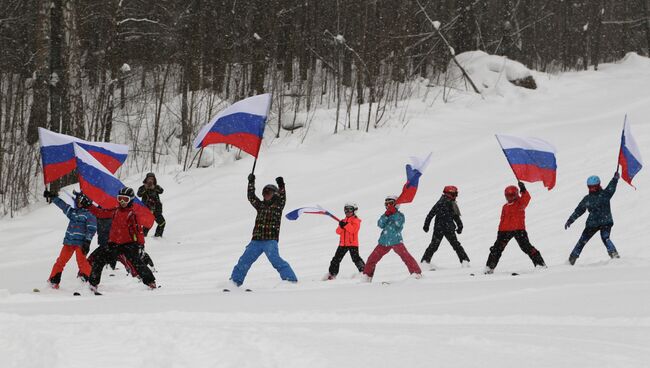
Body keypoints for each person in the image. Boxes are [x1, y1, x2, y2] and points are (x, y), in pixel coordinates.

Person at [229, 174, 298, 287]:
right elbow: (251, 197)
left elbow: (283, 198)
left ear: (275, 194)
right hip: (256, 240)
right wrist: (251, 182)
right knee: (244, 260)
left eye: (268, 193)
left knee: (275, 260)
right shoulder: (260, 206)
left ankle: (291, 280)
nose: (265, 196)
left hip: (270, 241)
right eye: (264, 194)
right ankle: (234, 282)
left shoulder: (278, 206)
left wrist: (281, 185)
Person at [87, 187, 157, 291]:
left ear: (131, 200)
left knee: (137, 263)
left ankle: (150, 281)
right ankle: (93, 283)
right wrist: (88, 206)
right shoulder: (115, 211)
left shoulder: (132, 214)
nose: (122, 202)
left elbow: (139, 231)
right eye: (120, 199)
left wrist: (141, 245)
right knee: (99, 258)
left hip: (129, 244)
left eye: (125, 199)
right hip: (114, 244)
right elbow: (100, 213)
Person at [484, 182, 546, 274]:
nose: (509, 198)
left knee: (526, 247)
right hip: (504, 231)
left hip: (518, 229)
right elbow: (502, 220)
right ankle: (489, 268)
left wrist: (523, 190)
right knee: (497, 249)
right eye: (507, 196)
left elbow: (526, 198)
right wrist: (499, 232)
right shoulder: (504, 207)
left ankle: (540, 264)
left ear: (516, 195)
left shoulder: (520, 203)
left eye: (512, 195)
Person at [43, 190, 97, 289]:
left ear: (86, 201)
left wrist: (87, 241)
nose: (77, 203)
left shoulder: (89, 214)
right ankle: (53, 281)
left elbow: (92, 229)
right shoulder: (73, 212)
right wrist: (53, 197)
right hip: (69, 242)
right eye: (77, 201)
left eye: (79, 201)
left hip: (81, 244)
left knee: (82, 263)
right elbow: (63, 206)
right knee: (60, 262)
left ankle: (92, 282)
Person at [361, 196, 422, 282]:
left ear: (396, 205)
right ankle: (366, 276)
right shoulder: (386, 214)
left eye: (391, 203)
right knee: (372, 258)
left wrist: (394, 214)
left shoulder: (400, 215)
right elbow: (380, 224)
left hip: (396, 241)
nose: (388, 205)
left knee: (406, 257)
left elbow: (399, 224)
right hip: (384, 241)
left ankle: (416, 273)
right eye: (386, 204)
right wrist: (386, 215)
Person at [564, 173, 620, 265]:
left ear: (598, 186)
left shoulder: (604, 194)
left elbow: (611, 186)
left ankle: (614, 253)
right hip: (596, 223)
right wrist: (570, 220)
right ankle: (572, 259)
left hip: (601, 223)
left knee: (604, 237)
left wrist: (615, 179)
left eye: (593, 187)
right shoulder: (590, 198)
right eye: (590, 187)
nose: (592, 189)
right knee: (583, 240)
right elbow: (579, 210)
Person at [421, 186, 470, 269]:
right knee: (437, 245)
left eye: (456, 194)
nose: (456, 196)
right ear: (449, 193)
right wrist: (426, 225)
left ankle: (465, 261)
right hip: (441, 229)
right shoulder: (441, 203)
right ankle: (425, 262)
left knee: (452, 245)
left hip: (446, 228)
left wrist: (460, 225)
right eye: (455, 194)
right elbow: (431, 214)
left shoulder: (451, 203)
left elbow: (455, 216)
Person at [324, 203, 365, 280]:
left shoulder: (356, 220)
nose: (347, 211)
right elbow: (337, 232)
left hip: (352, 243)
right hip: (343, 244)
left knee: (355, 258)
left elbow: (353, 230)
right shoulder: (343, 221)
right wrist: (341, 226)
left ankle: (364, 271)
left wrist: (346, 225)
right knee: (336, 259)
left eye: (350, 209)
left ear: (354, 211)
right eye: (346, 210)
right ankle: (332, 274)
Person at [137, 172, 165, 237]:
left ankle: (158, 237)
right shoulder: (142, 187)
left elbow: (161, 191)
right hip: (147, 210)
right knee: (147, 225)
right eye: (149, 179)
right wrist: (145, 188)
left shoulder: (156, 187)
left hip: (156, 210)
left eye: (152, 179)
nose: (150, 181)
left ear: (154, 180)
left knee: (162, 223)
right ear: (146, 179)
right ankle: (143, 238)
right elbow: (139, 194)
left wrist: (154, 187)